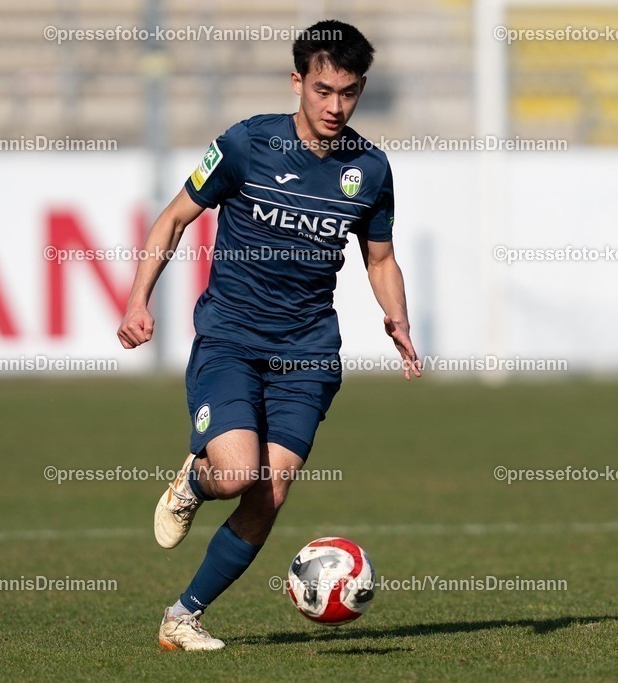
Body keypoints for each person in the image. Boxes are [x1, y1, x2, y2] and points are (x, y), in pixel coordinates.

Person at [117, 19, 420, 651]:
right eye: (322, 90)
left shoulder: (370, 169)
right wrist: (138, 299)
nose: (335, 106)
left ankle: (183, 617)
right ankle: (193, 482)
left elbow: (380, 259)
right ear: (297, 82)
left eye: (349, 92)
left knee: (271, 489)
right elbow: (173, 219)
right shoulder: (246, 144)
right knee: (235, 476)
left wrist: (397, 318)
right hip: (230, 338)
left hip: (308, 352)